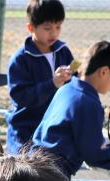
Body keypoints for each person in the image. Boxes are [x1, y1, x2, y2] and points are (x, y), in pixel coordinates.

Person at [32, 41, 110, 176]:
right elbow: (94, 156)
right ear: (104, 72)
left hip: (35, 166)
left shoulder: (66, 89)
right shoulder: (88, 102)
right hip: (50, 178)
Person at [6, 0, 73, 155]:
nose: (54, 33)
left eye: (58, 27)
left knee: (57, 171)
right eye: (47, 28)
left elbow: (73, 85)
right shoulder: (21, 59)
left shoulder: (63, 52)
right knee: (26, 173)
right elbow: (22, 97)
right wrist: (53, 84)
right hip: (26, 130)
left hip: (55, 128)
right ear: (31, 28)